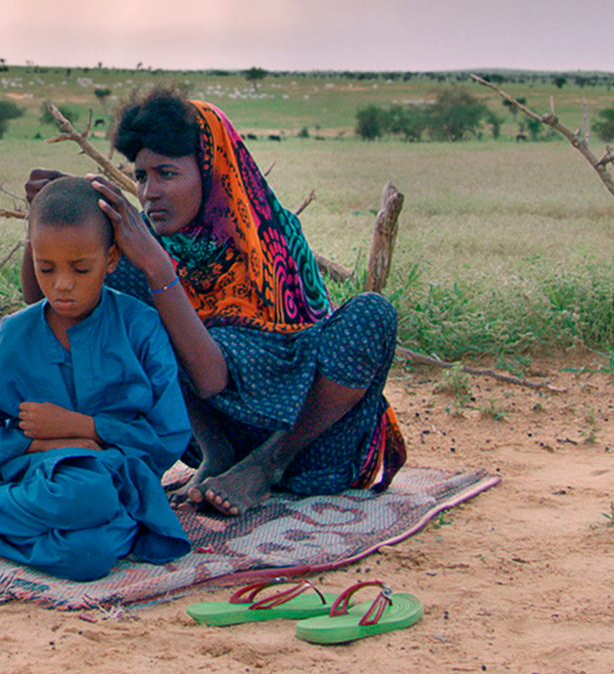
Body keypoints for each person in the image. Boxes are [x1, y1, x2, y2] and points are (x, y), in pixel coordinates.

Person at [27, 88, 406, 517]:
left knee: (373, 314)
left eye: (167, 174)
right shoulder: (155, 254)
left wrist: (157, 266)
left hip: (313, 444)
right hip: (216, 431)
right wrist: (43, 216)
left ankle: (265, 467)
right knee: (124, 287)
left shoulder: (269, 240)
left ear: (212, 172)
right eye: (141, 176)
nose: (149, 192)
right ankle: (218, 454)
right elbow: (51, 312)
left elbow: (212, 379)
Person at [0, 177, 192, 582]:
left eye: (81, 268)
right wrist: (43, 441)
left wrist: (86, 429)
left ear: (112, 258)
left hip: (123, 485)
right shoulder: (16, 334)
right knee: (84, 496)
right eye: (46, 268)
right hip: (38, 477)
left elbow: (169, 437)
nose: (62, 284)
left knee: (89, 556)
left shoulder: (141, 328)